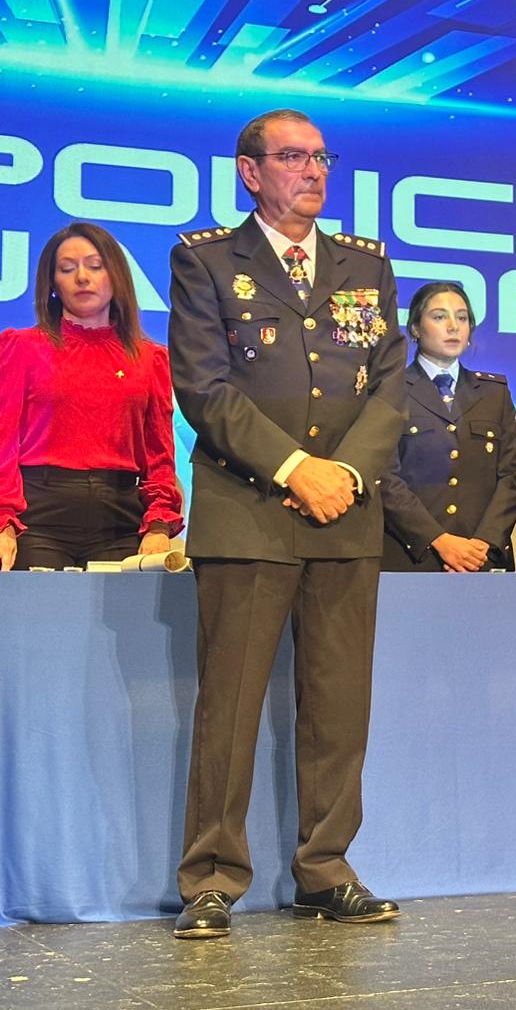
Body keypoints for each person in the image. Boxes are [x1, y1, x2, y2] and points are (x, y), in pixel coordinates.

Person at [167, 108, 408, 939]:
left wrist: (342, 472)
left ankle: (325, 869)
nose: (312, 171)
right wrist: (294, 469)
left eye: (320, 157)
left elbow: (389, 384)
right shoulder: (204, 260)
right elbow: (204, 388)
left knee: (339, 705)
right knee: (229, 706)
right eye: (293, 157)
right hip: (249, 512)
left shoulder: (365, 265)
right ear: (250, 171)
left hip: (346, 512)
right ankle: (211, 877)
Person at [0, 223, 183, 571]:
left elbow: (160, 456)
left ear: (116, 275)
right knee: (46, 621)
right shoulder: (20, 348)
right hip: (39, 519)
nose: (82, 277)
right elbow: (2, 442)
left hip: (121, 521)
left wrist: (159, 525)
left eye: (95, 266)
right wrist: (3, 524)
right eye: (67, 269)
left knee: (122, 625)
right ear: (53, 284)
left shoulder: (152, 359)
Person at [379, 282, 516, 572]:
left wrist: (484, 542)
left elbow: (513, 474)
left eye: (461, 318)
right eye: (439, 317)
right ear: (415, 329)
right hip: (413, 559)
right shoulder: (389, 389)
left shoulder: (493, 392)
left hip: (483, 560)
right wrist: (438, 540)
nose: (453, 326)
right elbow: (384, 477)